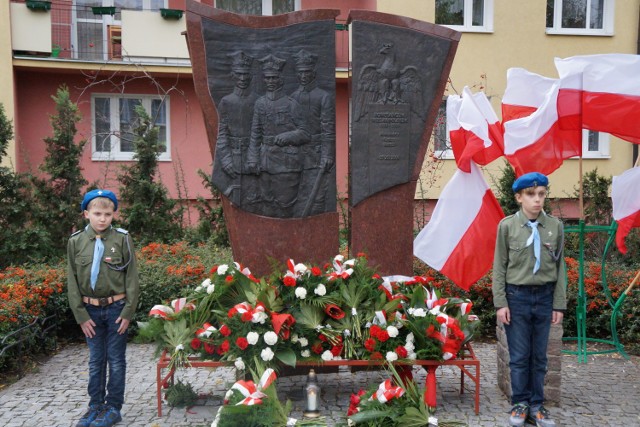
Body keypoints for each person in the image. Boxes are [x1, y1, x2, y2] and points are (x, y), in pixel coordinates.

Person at [492, 172, 566, 427]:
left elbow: (560, 268)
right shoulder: (507, 226)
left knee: (540, 357)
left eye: (542, 194)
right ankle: (520, 403)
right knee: (520, 355)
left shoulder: (555, 226)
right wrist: (501, 303)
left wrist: (559, 304)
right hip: (517, 297)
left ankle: (537, 405)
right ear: (519, 197)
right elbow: (499, 266)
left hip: (544, 297)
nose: (537, 200)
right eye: (531, 195)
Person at [67, 189, 140, 427]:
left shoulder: (122, 239)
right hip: (90, 311)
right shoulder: (76, 242)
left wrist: (128, 312)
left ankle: (112, 408)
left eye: (107, 214)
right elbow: (72, 281)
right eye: (97, 213)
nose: (102, 219)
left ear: (113, 215)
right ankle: (95, 406)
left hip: (117, 308)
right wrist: (80, 315)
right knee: (95, 360)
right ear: (86, 213)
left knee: (116, 360)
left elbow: (132, 278)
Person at [247, 53, 310, 218]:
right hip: (265, 162)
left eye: (274, 77)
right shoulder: (260, 104)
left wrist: (289, 136)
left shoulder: (292, 104)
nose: (270, 81)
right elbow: (255, 134)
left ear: (281, 79)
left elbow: (305, 133)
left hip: (287, 164)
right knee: (266, 204)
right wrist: (253, 159)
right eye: (267, 78)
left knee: (286, 206)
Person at [290, 48, 335, 217]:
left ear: (313, 72)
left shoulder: (323, 96)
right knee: (295, 195)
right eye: (300, 72)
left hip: (316, 152)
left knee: (317, 197)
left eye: (307, 72)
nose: (303, 76)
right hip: (295, 154)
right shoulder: (293, 96)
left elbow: (328, 129)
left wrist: (327, 155)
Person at [213, 50, 260, 211]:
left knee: (255, 200)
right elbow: (222, 134)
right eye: (239, 74)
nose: (242, 78)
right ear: (233, 75)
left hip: (255, 157)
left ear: (250, 76)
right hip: (233, 156)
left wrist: (256, 158)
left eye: (245, 74)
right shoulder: (226, 102)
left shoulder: (257, 101)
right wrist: (225, 160)